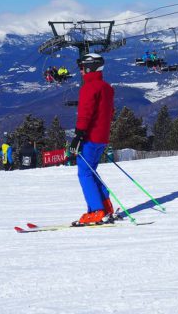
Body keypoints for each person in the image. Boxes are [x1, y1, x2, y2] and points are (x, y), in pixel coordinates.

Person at [68, 53, 115, 226]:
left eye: (82, 67)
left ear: (89, 67)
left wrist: (78, 136)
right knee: (91, 171)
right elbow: (109, 113)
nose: (80, 70)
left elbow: (85, 114)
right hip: (102, 137)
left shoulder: (89, 88)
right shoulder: (106, 87)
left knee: (85, 173)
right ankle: (105, 207)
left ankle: (96, 211)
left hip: (90, 137)